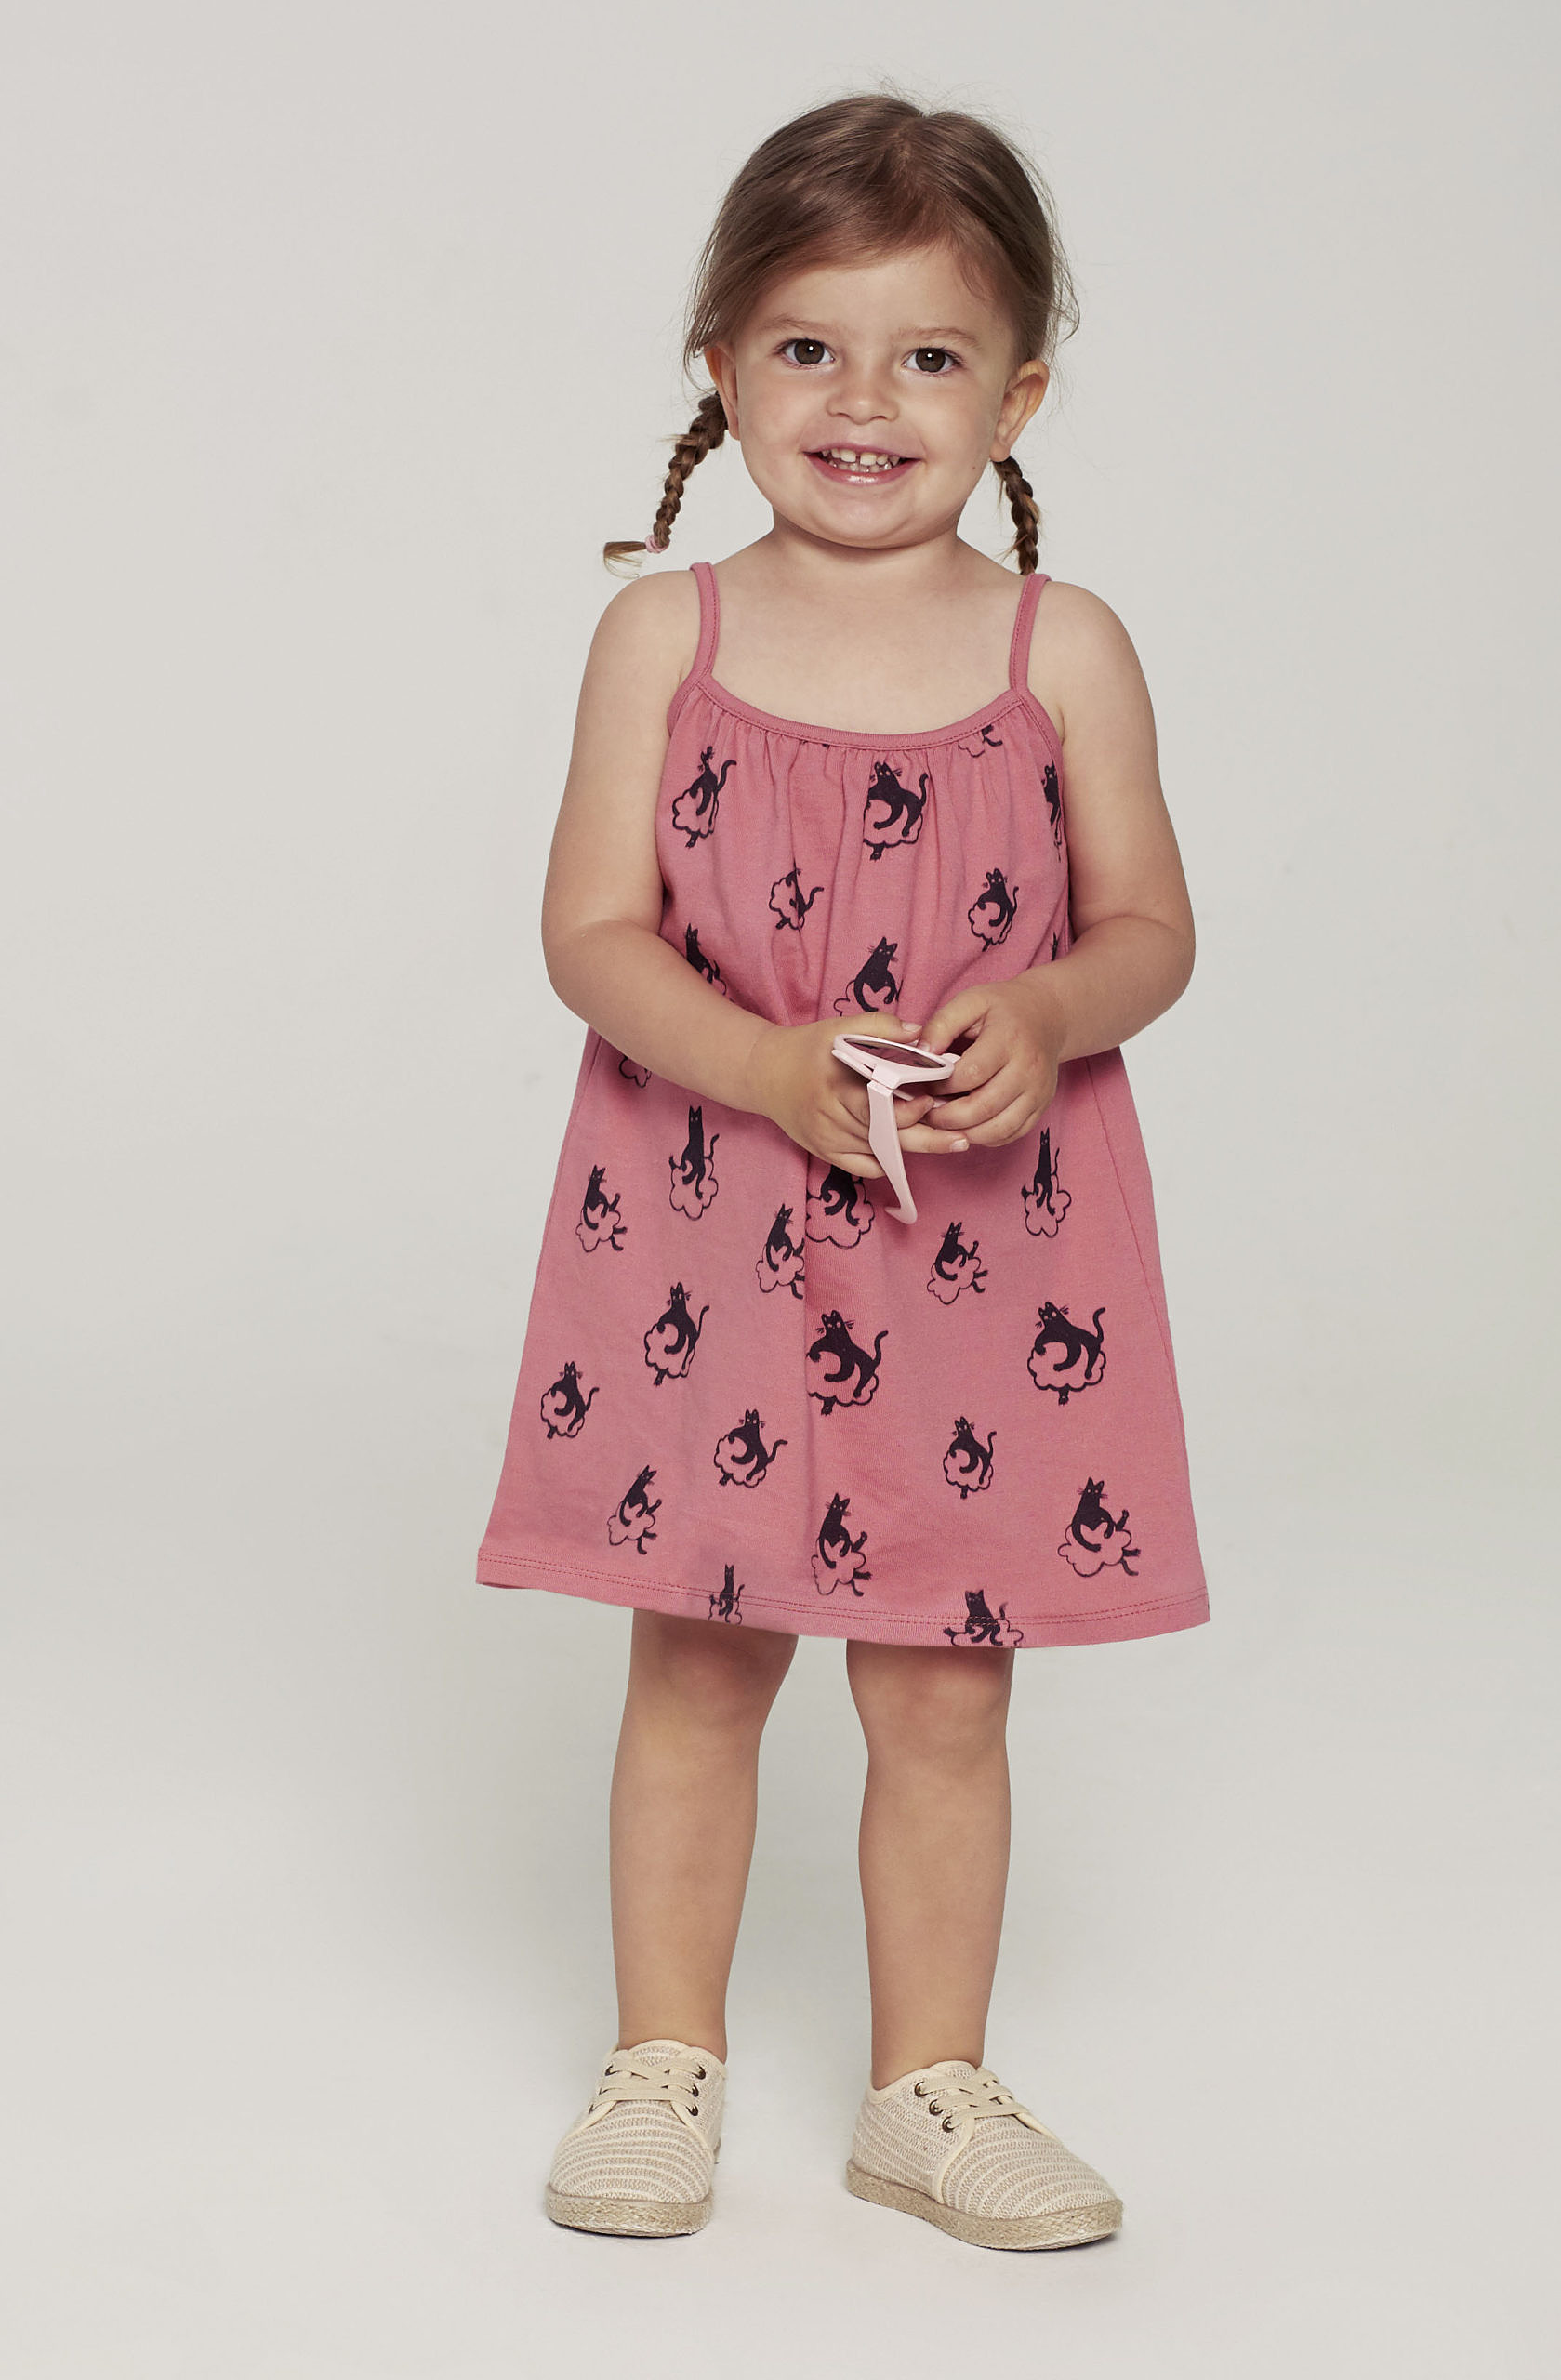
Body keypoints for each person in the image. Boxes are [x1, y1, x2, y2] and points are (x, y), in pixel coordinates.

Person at [475, 89, 1210, 2251]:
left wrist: (1051, 1013)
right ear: (721, 364)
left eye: (928, 355)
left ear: (1019, 392)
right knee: (701, 1659)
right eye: (809, 347)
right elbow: (588, 931)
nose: (864, 403)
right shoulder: (666, 638)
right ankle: (661, 2056)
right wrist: (761, 1064)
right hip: (704, 1217)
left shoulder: (1060, 647)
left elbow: (1151, 925)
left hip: (983, 1246)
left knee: (946, 1675)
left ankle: (926, 2086)